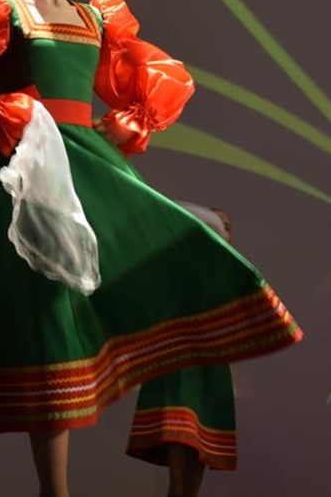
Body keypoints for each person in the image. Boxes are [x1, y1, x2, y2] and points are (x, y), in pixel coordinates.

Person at [0, 0, 302, 497]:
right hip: (9, 178)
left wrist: (130, 120)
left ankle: (58, 488)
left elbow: (155, 79)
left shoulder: (96, 20)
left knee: (61, 323)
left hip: (78, 170)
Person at [127, 203, 237, 497]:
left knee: (200, 437)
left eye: (227, 227)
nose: (222, 230)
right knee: (181, 430)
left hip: (211, 363)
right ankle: (176, 489)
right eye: (217, 224)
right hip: (180, 358)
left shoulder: (229, 271)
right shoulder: (182, 265)